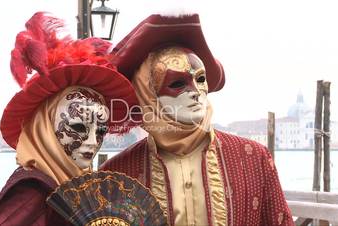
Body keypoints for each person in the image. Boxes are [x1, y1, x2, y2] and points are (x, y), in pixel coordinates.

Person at [100, 14, 294, 226]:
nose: (195, 91)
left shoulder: (254, 159)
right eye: (177, 83)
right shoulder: (116, 175)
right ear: (148, 94)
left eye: (200, 78)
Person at [0, 12, 139, 226]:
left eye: (101, 131)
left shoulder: (72, 186)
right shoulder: (31, 193)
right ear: (44, 128)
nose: (92, 141)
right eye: (78, 126)